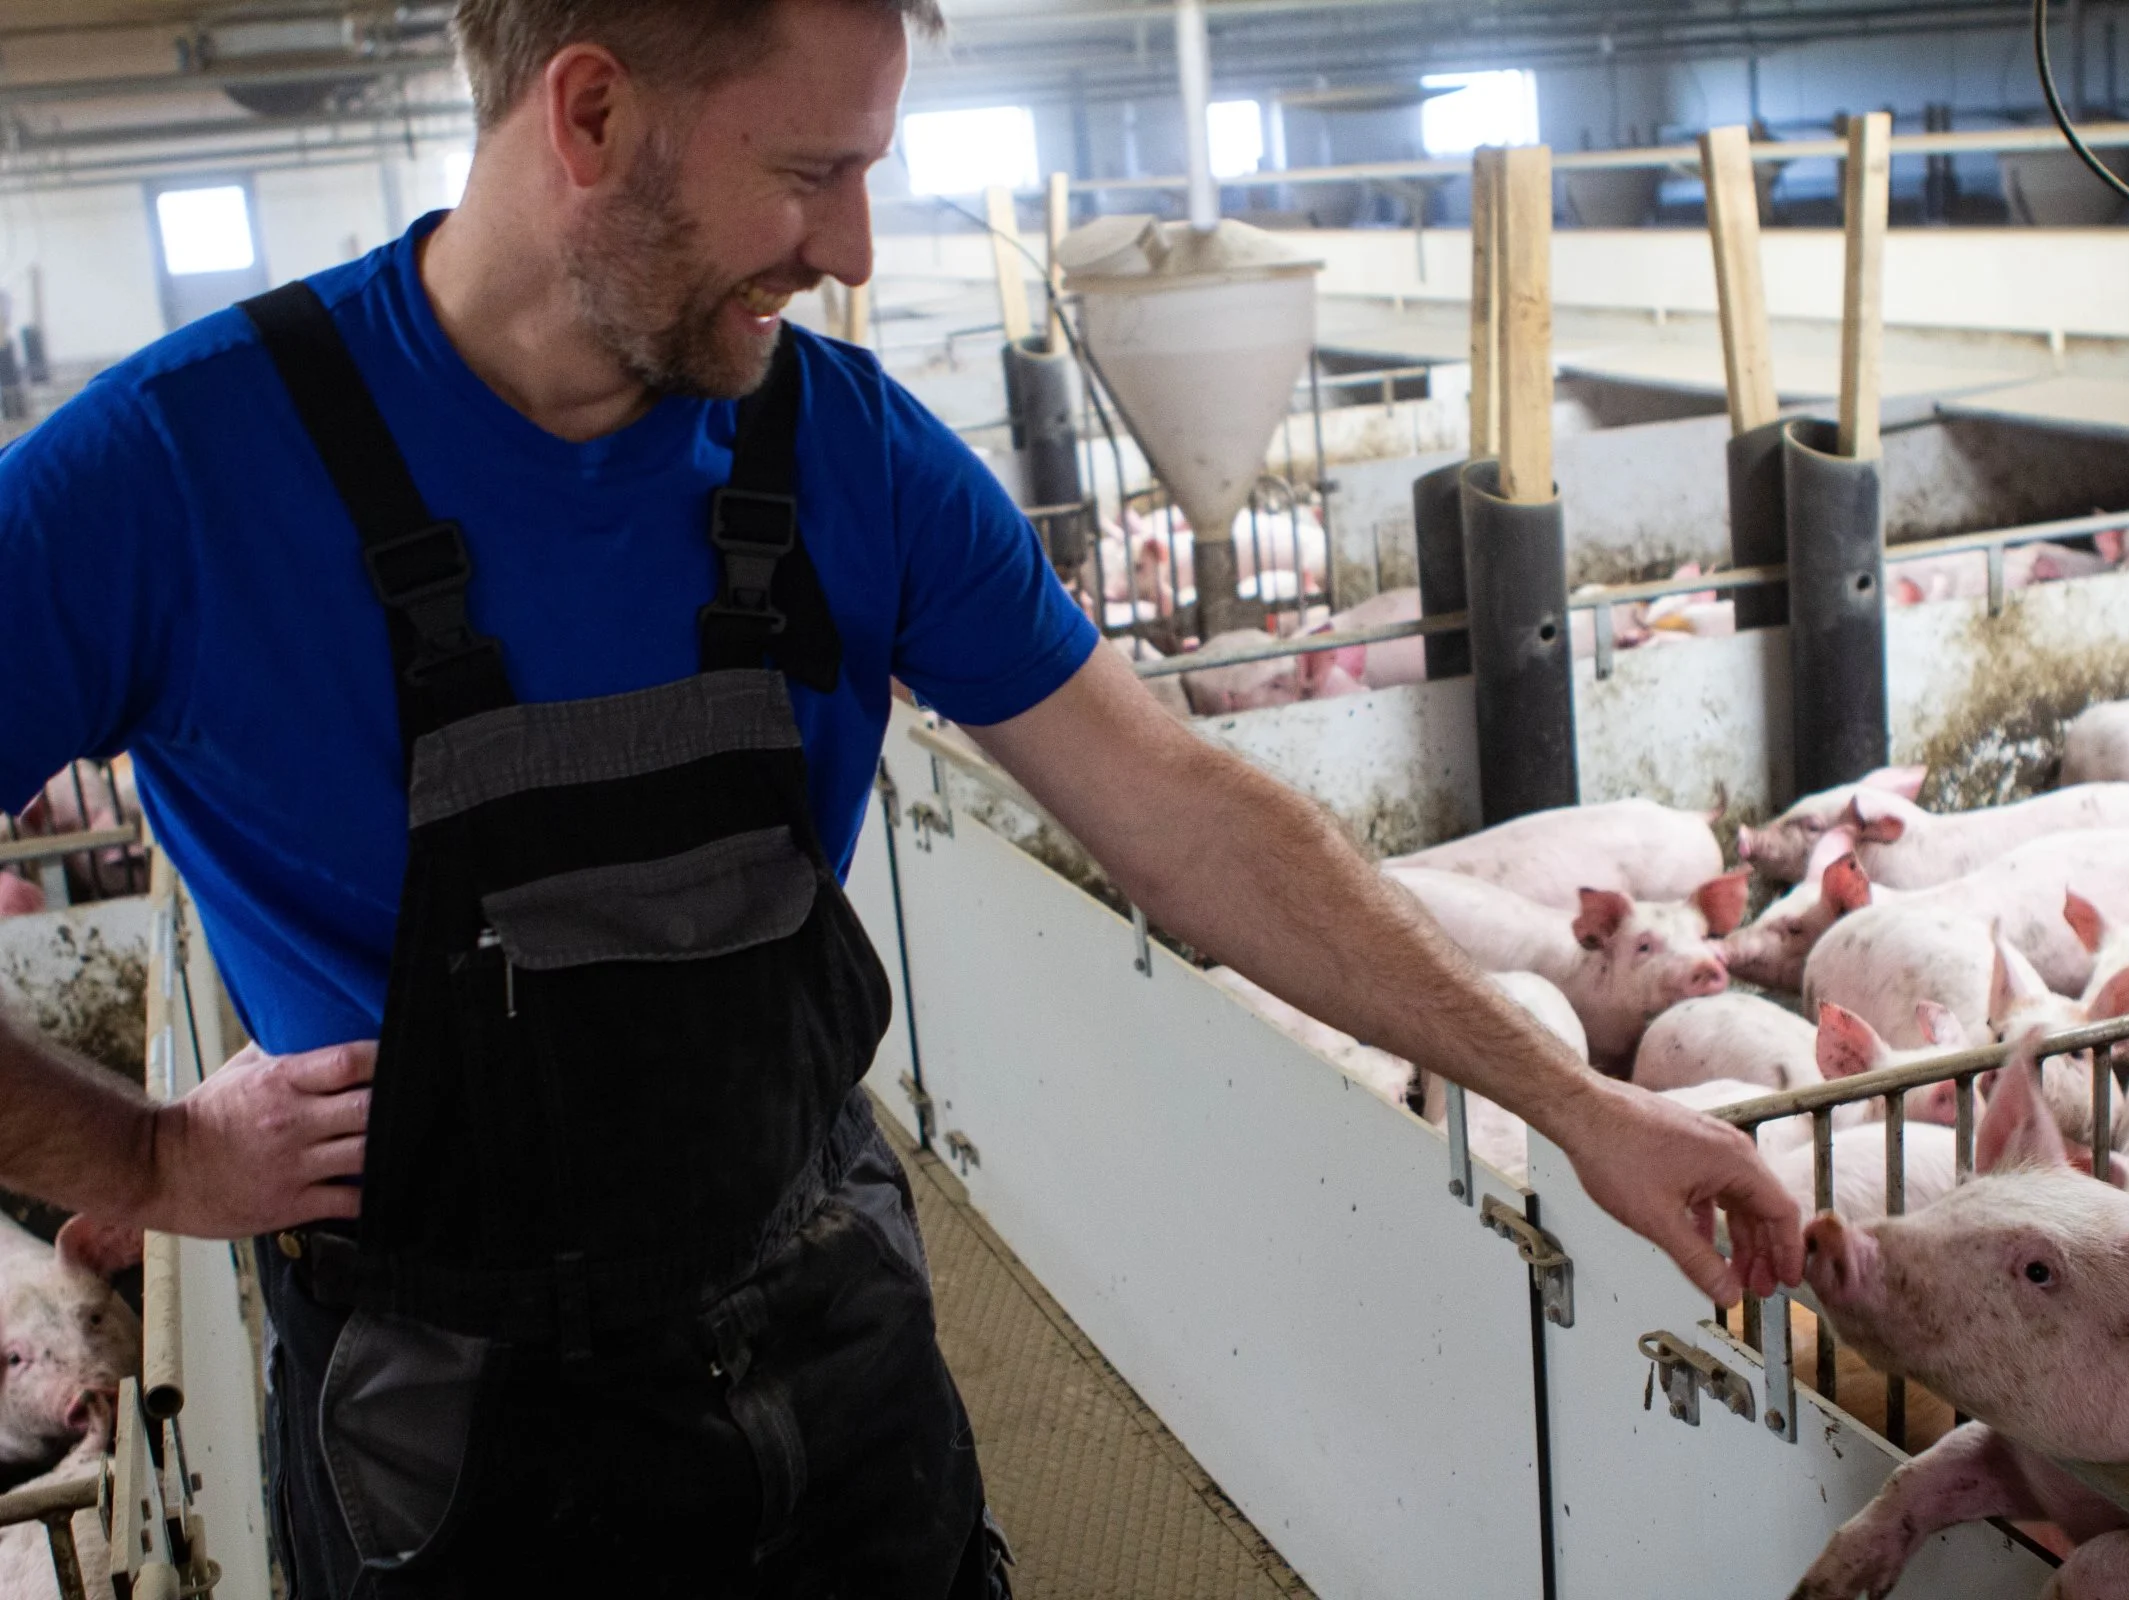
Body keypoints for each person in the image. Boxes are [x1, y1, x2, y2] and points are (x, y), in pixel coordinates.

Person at [0, 0, 1802, 1593]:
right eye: (810, 171)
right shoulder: (167, 480)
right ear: (592, 116)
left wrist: (1571, 1104)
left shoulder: (847, 452)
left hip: (828, 1337)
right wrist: (149, 1159)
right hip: (462, 1434)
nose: (851, 246)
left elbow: (1176, 805)